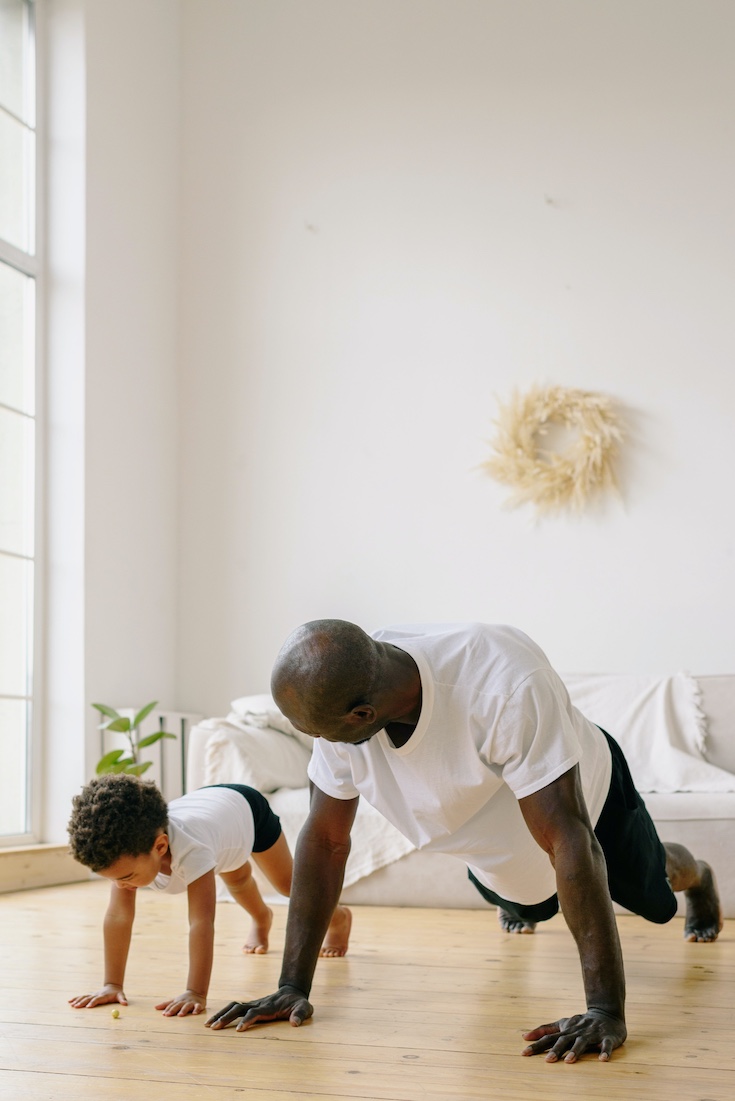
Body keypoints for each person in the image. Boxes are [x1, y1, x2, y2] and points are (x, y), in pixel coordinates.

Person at [205, 619, 723, 1064]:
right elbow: (324, 841)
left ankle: (697, 875)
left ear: (361, 714)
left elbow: (571, 839)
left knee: (651, 893)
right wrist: (292, 985)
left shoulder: (503, 682)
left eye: (323, 734)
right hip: (486, 836)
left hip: (585, 795)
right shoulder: (347, 694)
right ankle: (519, 893)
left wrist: (604, 1011)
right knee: (528, 904)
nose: (321, 745)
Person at [67, 774, 352, 1016]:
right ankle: (262, 917)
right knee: (237, 878)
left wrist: (195, 992)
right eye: (113, 880)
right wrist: (112, 984)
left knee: (288, 885)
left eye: (126, 878)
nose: (121, 886)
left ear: (161, 846)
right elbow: (118, 916)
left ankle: (338, 917)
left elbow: (201, 922)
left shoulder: (193, 849)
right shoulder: (125, 856)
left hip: (246, 811)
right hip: (215, 818)